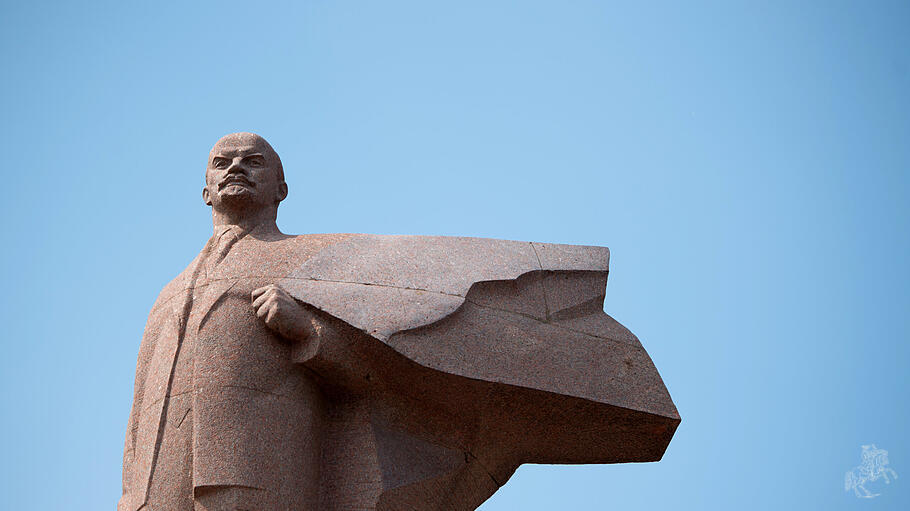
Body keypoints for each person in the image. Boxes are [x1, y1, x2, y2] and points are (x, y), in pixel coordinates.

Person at [119, 132, 679, 511]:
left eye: (253, 160)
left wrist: (310, 334)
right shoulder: (167, 294)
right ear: (205, 189)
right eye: (223, 161)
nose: (236, 166)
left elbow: (384, 352)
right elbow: (142, 412)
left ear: (281, 190)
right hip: (158, 483)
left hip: (262, 472)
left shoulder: (312, 260)